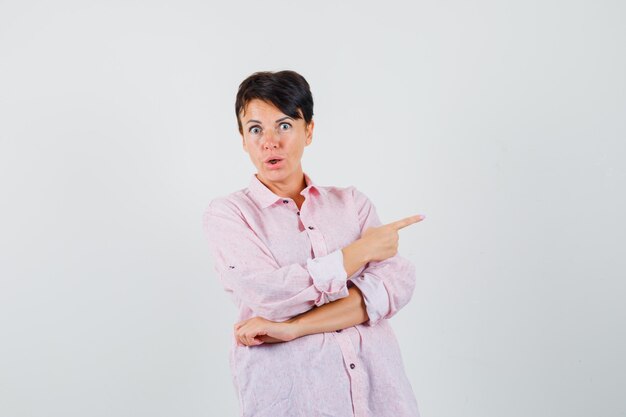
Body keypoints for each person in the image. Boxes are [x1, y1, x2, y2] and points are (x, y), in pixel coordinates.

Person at [202, 70, 426, 417]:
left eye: (285, 125)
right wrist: (360, 252)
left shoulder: (352, 203)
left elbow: (395, 284)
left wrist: (294, 328)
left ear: (309, 131)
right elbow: (270, 297)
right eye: (255, 129)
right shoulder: (229, 215)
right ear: (243, 139)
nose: (269, 141)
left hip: (383, 399)